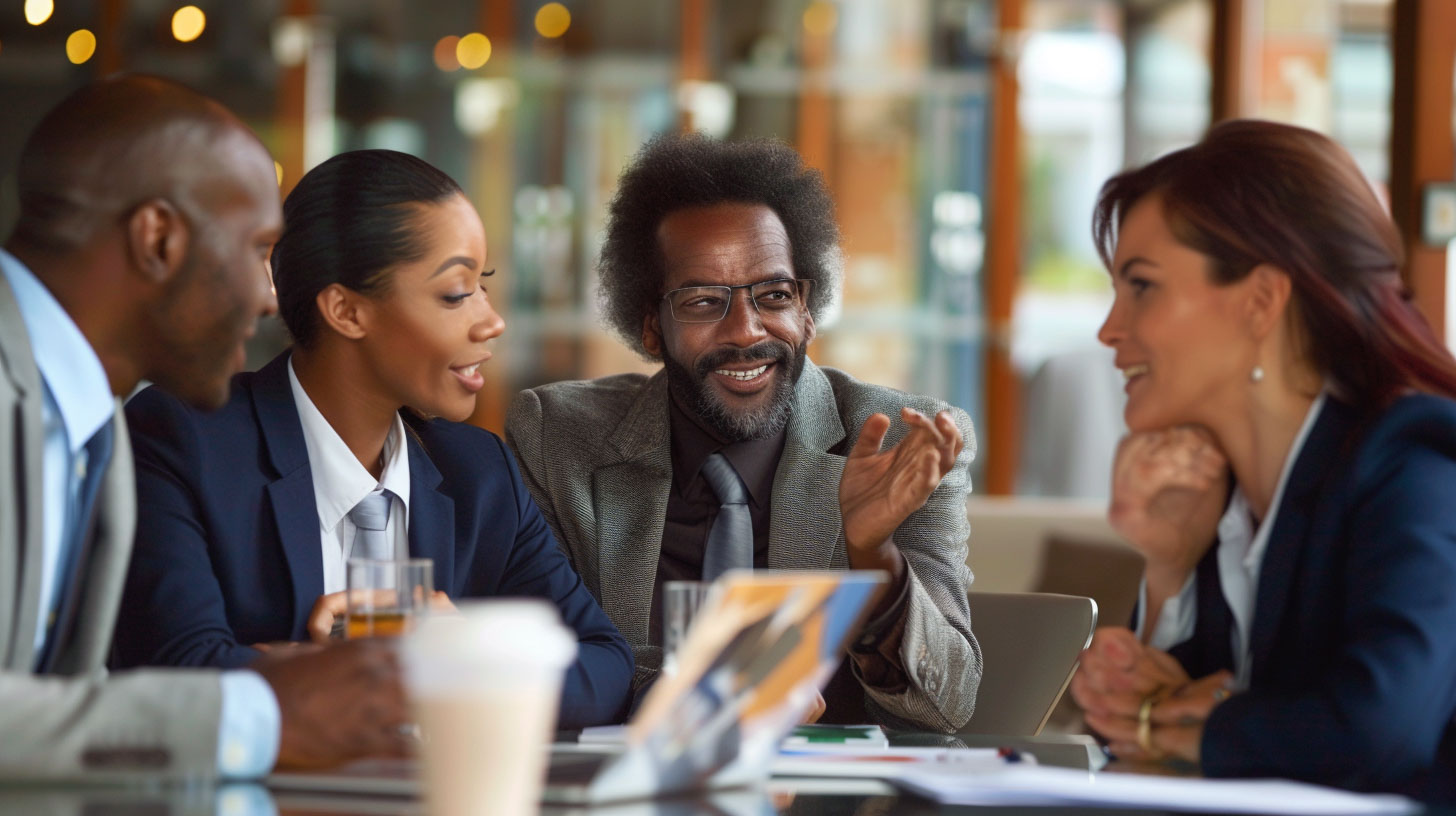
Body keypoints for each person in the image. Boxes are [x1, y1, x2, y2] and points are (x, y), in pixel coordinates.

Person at [114, 149, 634, 729]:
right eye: (456, 294)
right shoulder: (181, 439)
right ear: (346, 311)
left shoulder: (478, 472)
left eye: (481, 286)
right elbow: (182, 678)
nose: (492, 321)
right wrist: (394, 679)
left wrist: (459, 654)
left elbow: (605, 667)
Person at [0, 75, 411, 779]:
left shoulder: (94, 425)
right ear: (157, 238)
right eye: (257, 250)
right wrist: (263, 713)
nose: (269, 297)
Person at [506, 134, 981, 733]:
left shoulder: (898, 441)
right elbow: (535, 664)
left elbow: (950, 703)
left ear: (807, 310)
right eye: (704, 302)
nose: (746, 331)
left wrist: (873, 555)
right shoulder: (560, 438)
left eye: (774, 296)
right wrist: (732, 694)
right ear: (651, 326)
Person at [1068, 119, 1456, 797]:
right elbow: (1137, 736)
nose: (1110, 329)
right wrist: (1166, 576)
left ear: (1260, 302)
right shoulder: (1231, 496)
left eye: (1142, 286)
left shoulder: (1409, 464)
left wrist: (1172, 724)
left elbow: (1376, 729)